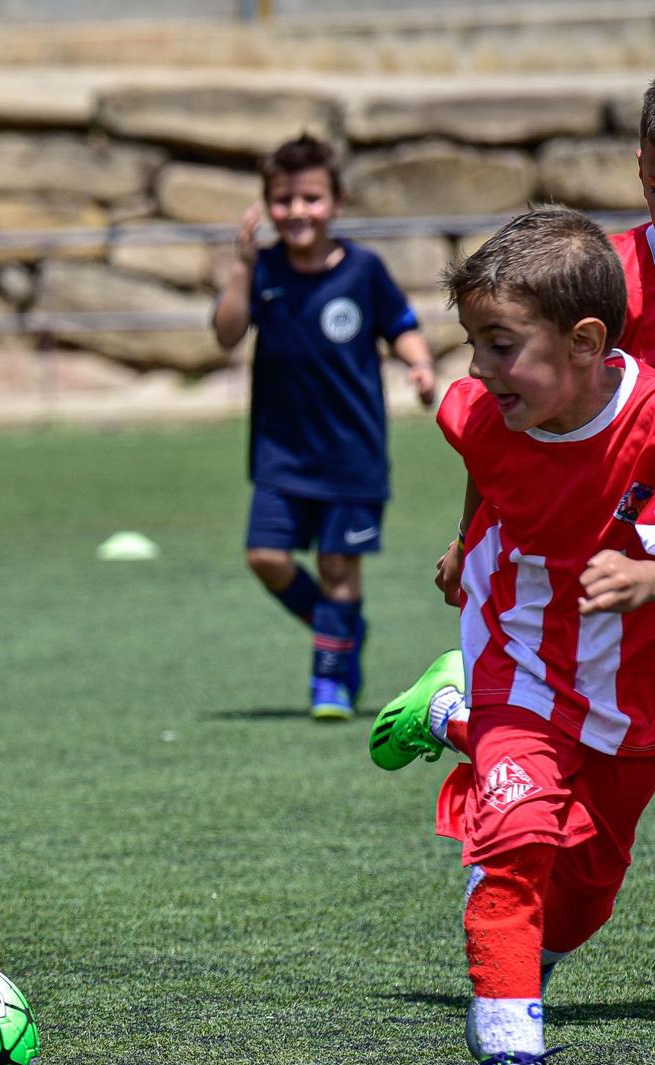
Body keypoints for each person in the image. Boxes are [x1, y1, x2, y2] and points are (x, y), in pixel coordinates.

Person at [372, 55, 655, 1025]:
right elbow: (512, 423)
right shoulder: (608, 280)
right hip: (620, 563)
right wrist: (467, 534)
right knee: (649, 746)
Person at [210, 135, 437, 720]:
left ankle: (331, 680)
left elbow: (401, 323)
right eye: (282, 201)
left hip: (351, 452)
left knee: (339, 566)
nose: (296, 212)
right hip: (280, 451)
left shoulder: (363, 270)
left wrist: (418, 362)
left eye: (310, 198)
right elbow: (227, 333)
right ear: (266, 206)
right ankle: (339, 628)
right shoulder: (264, 270)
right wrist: (240, 268)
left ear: (336, 201)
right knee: (265, 555)